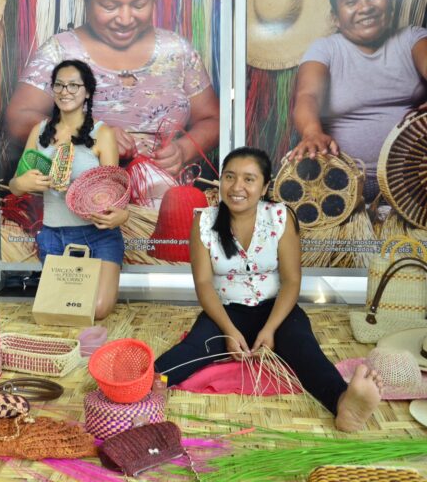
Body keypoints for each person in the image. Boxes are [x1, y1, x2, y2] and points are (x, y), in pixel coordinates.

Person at [154, 147, 383, 432]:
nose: (237, 187)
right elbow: (202, 283)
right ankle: (149, 385)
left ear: (264, 187)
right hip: (225, 312)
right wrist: (228, 330)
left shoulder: (280, 217)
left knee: (303, 348)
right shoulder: (205, 221)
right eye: (230, 177)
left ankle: (343, 403)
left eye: (249, 179)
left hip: (276, 310)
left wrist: (271, 329)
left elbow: (292, 280)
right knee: (193, 348)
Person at [4, 0, 219, 180]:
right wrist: (92, 133)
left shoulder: (176, 50)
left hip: (169, 199)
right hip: (81, 197)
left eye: (139, 5)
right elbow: (18, 120)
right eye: (110, 6)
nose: (125, 19)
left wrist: (184, 149)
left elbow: (212, 119)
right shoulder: (60, 52)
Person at [290, 0, 427, 202]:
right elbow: (307, 95)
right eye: (351, 2)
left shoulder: (413, 38)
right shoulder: (325, 49)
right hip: (341, 183)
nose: (365, 7)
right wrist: (311, 132)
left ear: (390, 3)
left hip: (413, 182)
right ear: (335, 17)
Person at [9, 60, 127, 320]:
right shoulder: (39, 131)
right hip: (54, 235)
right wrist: (23, 183)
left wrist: (121, 215)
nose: (65, 91)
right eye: (59, 85)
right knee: (61, 309)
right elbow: (15, 185)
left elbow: (115, 197)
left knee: (96, 309)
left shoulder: (102, 134)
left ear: (88, 92)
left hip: (98, 235)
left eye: (74, 85)